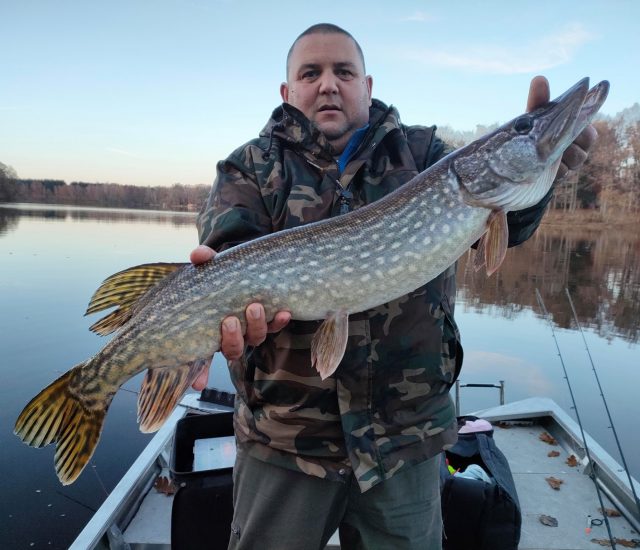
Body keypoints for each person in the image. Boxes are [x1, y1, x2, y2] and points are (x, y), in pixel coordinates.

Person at [190, 24, 597, 550]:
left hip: (407, 440)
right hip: (284, 440)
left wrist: (543, 173)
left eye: (344, 71)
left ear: (368, 84)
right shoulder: (250, 167)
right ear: (288, 93)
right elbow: (227, 251)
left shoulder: (426, 155)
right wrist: (220, 301)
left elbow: (509, 226)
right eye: (311, 73)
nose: (329, 84)